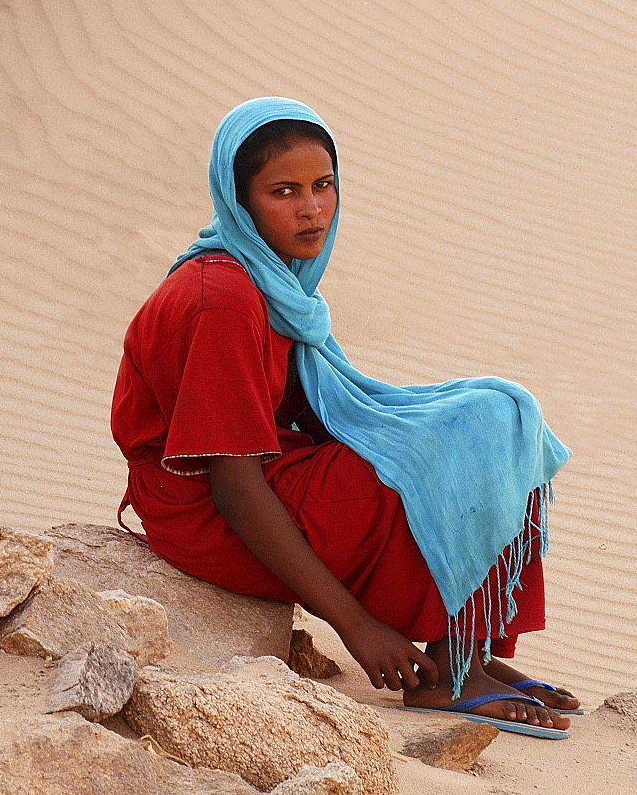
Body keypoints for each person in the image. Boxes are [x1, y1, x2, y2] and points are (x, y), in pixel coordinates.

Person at [112, 97, 578, 739]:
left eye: (323, 185)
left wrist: (431, 430)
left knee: (497, 420)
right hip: (205, 509)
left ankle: (460, 650)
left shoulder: (276, 279)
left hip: (268, 471)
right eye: (284, 191)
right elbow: (232, 485)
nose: (312, 208)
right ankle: (445, 678)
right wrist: (355, 627)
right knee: (426, 461)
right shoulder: (219, 298)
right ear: (239, 201)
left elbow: (318, 413)